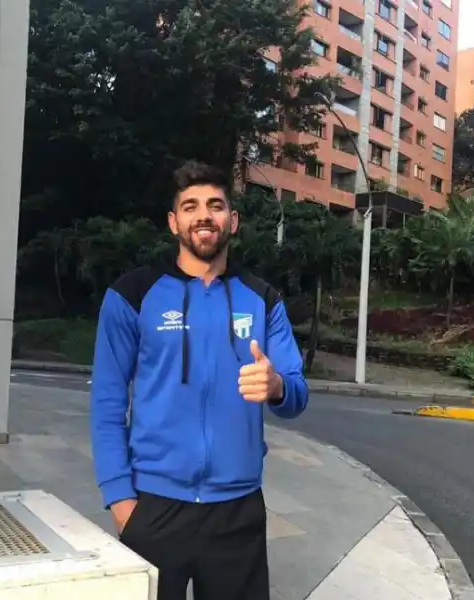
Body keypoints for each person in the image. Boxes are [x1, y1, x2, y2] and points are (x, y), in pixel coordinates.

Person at [89, 159, 309, 600]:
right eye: (190, 206)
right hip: (153, 506)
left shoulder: (263, 300)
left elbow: (297, 393)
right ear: (174, 222)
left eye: (215, 205)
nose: (203, 215)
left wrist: (278, 387)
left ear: (234, 220)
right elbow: (108, 403)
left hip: (238, 510)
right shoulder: (133, 295)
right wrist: (120, 500)